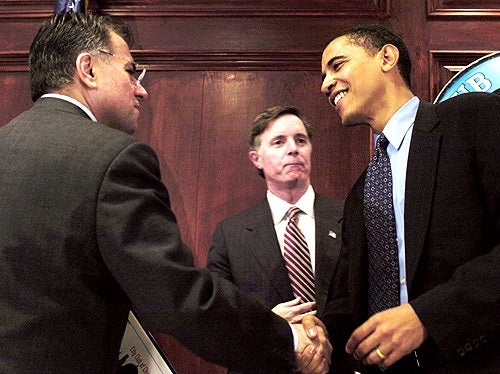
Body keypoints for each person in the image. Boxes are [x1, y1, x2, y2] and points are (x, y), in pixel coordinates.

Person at [0, 13, 331, 373]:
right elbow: (178, 298)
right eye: (131, 71)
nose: (141, 89)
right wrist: (288, 340)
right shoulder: (113, 158)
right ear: (88, 69)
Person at [319, 24, 500, 373]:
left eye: (337, 66)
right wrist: (316, 334)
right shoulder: (362, 191)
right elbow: (347, 304)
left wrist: (428, 317)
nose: (325, 84)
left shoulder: (474, 118)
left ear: (386, 57)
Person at [207, 106, 344, 372]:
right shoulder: (230, 235)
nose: (293, 149)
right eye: (279, 142)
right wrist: (266, 326)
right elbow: (216, 321)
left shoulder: (350, 218)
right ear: (256, 158)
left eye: (301, 140)